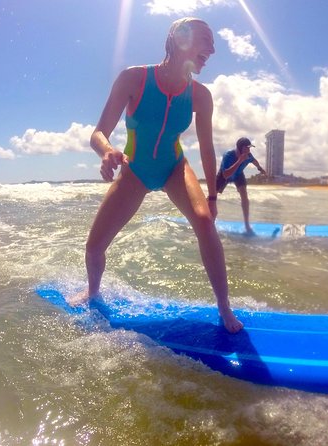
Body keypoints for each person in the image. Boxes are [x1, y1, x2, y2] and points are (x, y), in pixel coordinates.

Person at [68, 17, 243, 334]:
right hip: (135, 170)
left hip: (174, 167)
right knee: (94, 248)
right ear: (180, 37)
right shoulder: (133, 79)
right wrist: (107, 151)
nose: (213, 49)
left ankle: (224, 306)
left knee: (204, 220)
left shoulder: (201, 96)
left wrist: (213, 196)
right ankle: (92, 291)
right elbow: (98, 133)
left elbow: (206, 149)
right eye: (207, 39)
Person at [215, 137, 267, 234]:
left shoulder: (249, 155)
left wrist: (260, 169)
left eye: (249, 148)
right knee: (213, 195)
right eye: (246, 148)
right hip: (225, 174)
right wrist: (239, 161)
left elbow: (255, 162)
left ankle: (247, 225)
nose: (248, 150)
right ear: (240, 148)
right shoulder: (228, 155)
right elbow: (226, 174)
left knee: (244, 194)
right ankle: (208, 217)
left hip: (238, 175)